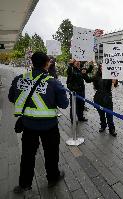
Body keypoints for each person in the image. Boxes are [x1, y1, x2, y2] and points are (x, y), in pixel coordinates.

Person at [8, 52, 69, 193]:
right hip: (50, 127)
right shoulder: (53, 82)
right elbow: (64, 104)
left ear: (32, 62)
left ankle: (24, 184)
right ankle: (53, 178)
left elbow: (12, 98)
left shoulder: (19, 79)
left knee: (27, 156)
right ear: (47, 63)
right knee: (51, 154)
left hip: (28, 126)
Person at [83, 64, 118, 136]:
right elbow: (88, 80)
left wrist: (114, 81)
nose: (102, 68)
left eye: (104, 67)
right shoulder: (97, 76)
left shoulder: (111, 75)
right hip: (98, 97)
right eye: (101, 67)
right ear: (99, 68)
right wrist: (84, 74)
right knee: (101, 114)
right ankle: (103, 126)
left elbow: (115, 84)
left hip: (107, 97)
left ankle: (112, 129)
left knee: (109, 114)